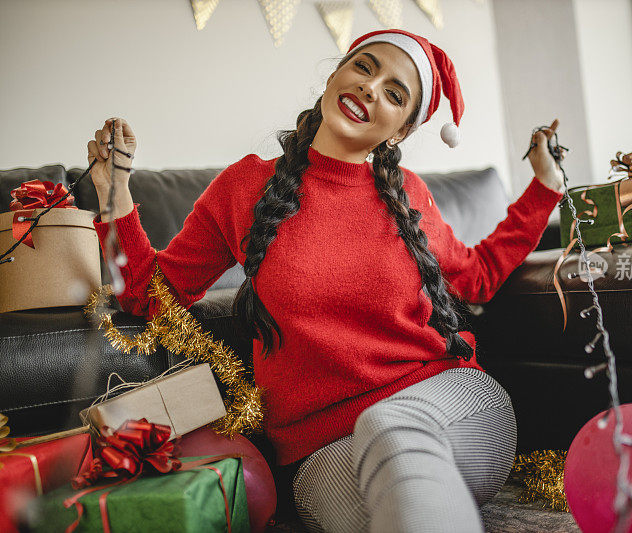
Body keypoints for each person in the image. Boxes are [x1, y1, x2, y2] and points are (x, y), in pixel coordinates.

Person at [87, 29, 565, 533]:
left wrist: (544, 190)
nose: (370, 87)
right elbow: (148, 294)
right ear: (335, 74)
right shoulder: (244, 188)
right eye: (363, 67)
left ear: (399, 131)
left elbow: (477, 277)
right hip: (320, 452)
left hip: (453, 407)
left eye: (395, 92)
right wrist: (114, 193)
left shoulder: (410, 196)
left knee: (391, 427)